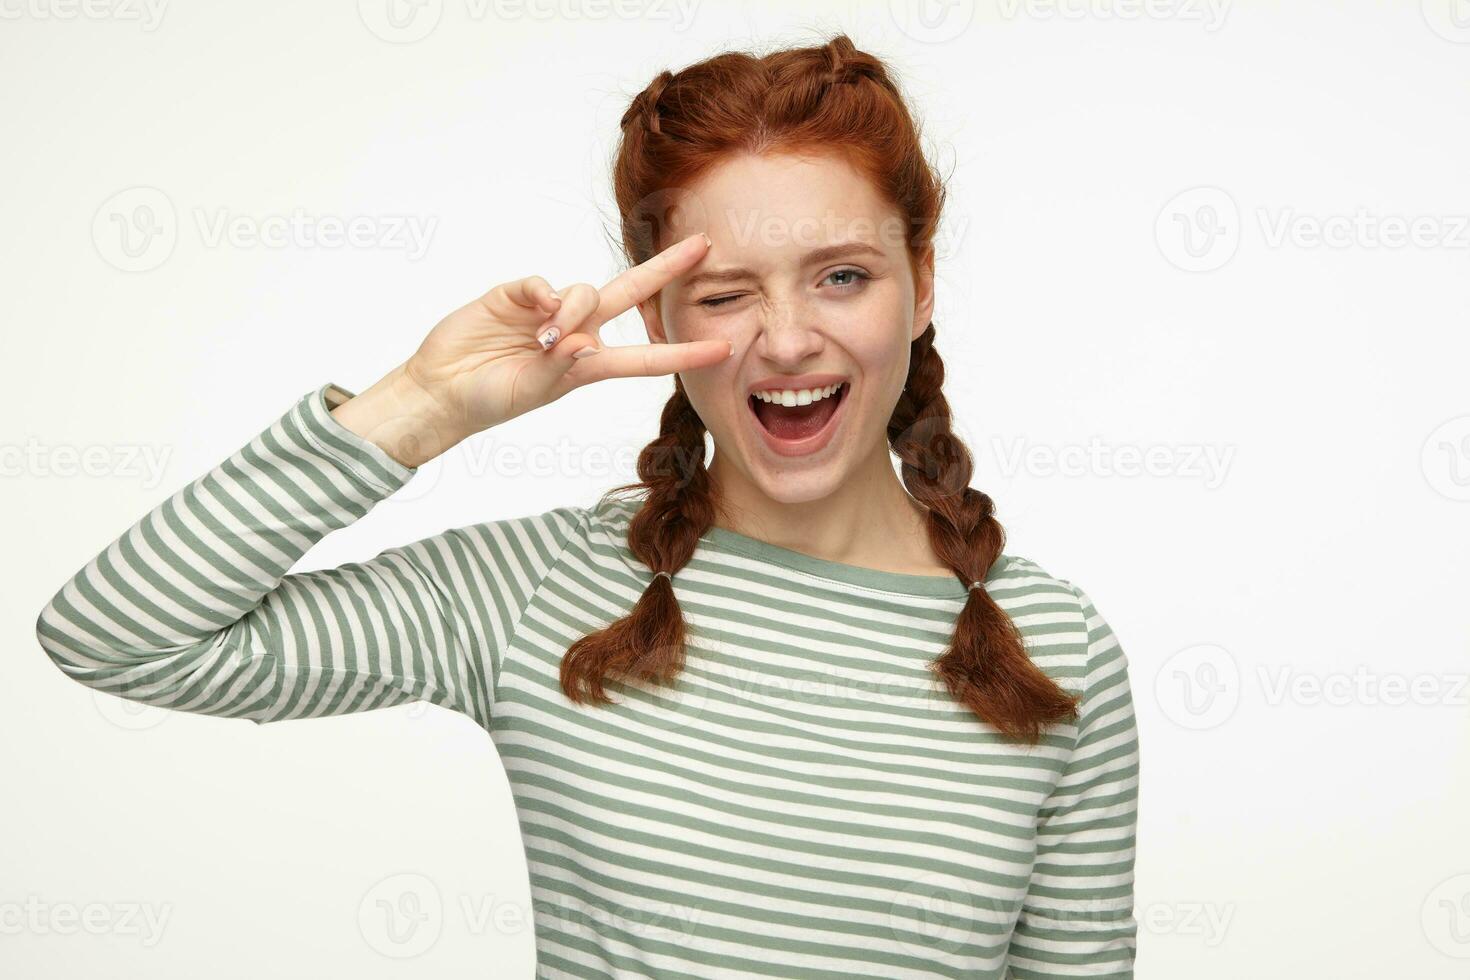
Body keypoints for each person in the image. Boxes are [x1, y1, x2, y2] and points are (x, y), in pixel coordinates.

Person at [36, 33, 1139, 979]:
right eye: (724, 292)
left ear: (923, 281)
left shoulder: (1059, 646)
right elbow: (118, 636)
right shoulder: (540, 590)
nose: (789, 339)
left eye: (843, 275)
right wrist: (421, 405)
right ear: (655, 301)